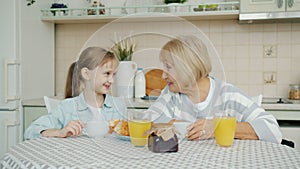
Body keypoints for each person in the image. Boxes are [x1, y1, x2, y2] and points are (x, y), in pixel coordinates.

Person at [148, 35, 282, 144]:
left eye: (168, 67)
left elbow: (273, 130)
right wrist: (167, 125)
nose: (163, 75)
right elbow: (146, 122)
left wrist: (219, 127)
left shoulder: (229, 96)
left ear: (188, 67)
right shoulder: (171, 93)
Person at [24, 47, 126, 140]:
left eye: (114, 74)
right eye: (107, 73)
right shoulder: (67, 108)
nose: (112, 80)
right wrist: (60, 132)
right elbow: (31, 131)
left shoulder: (118, 106)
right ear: (86, 74)